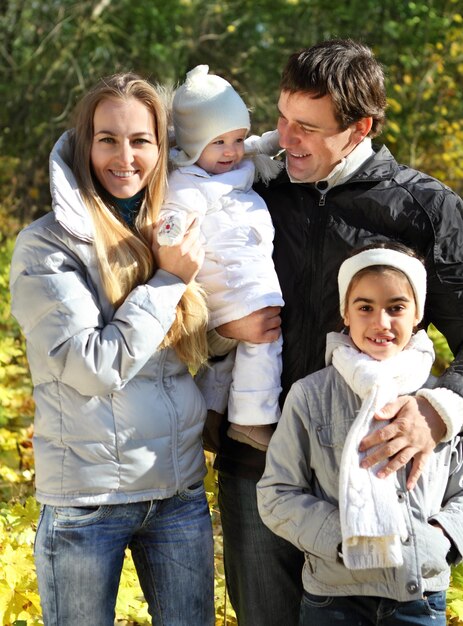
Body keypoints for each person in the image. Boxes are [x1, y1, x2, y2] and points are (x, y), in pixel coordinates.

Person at [211, 39, 463, 626]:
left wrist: (436, 411)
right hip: (261, 468)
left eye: (308, 127)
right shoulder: (252, 197)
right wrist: (221, 332)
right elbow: (200, 308)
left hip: (382, 478)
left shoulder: (426, 209)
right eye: (281, 118)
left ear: (361, 127)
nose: (286, 138)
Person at [9, 73, 215, 626]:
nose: (125, 156)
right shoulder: (45, 246)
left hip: (177, 492)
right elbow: (93, 366)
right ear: (84, 143)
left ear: (160, 147)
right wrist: (169, 282)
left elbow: (186, 348)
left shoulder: (170, 229)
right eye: (108, 139)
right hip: (86, 502)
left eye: (140, 140)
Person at [257, 242, 463, 626]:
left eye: (396, 307)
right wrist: (346, 539)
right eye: (365, 307)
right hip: (335, 598)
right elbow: (276, 495)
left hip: (419, 595)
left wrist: (441, 540)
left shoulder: (438, 405)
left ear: (417, 314)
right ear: (345, 315)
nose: (381, 322)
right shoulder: (311, 395)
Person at [159, 64, 284, 451]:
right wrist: (169, 233)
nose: (232, 151)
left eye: (237, 139)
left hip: (244, 270)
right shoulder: (188, 182)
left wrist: (286, 136)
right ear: (194, 144)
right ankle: (252, 418)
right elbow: (172, 215)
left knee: (234, 358)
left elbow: (260, 145)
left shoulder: (232, 161)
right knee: (266, 338)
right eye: (219, 143)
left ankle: (213, 411)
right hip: (228, 279)